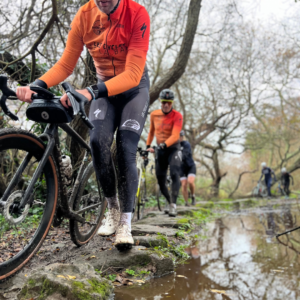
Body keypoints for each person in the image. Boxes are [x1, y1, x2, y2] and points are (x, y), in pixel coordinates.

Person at [16, 0, 150, 249]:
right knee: (97, 141)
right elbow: (67, 64)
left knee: (125, 148)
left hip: (134, 90)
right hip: (103, 92)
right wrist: (38, 85)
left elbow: (132, 74)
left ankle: (125, 223)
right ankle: (112, 209)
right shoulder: (84, 16)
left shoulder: (137, 14)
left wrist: (89, 91)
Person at [146, 89, 183, 217]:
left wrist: (164, 144)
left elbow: (175, 135)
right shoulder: (154, 115)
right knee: (160, 179)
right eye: (164, 102)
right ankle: (168, 201)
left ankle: (173, 205)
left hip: (173, 149)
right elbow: (151, 132)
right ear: (160, 102)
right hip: (160, 150)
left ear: (172, 102)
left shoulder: (177, 115)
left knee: (174, 173)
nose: (166, 105)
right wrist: (147, 146)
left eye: (169, 102)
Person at [179, 130, 196, 206]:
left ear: (183, 137)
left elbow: (185, 154)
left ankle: (193, 196)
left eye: (181, 136)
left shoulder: (186, 144)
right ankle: (186, 202)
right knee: (184, 184)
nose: (179, 138)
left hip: (190, 166)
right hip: (181, 168)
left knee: (190, 181)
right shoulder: (174, 145)